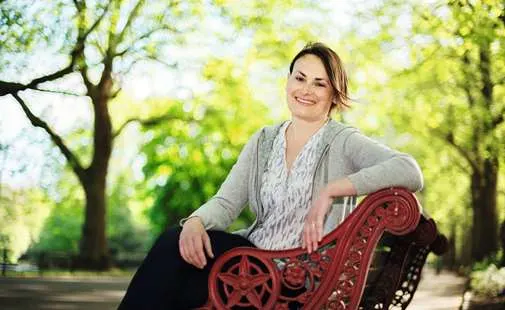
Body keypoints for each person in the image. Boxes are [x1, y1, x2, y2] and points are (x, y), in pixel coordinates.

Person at [118, 42, 423, 309]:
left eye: (319, 83)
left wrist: (334, 188)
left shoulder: (343, 141)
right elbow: (227, 202)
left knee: (174, 284)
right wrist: (196, 221)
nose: (306, 89)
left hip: (299, 273)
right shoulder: (263, 140)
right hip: (252, 259)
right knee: (176, 248)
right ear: (288, 81)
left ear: (334, 94)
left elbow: (409, 170)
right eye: (299, 78)